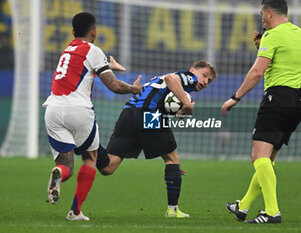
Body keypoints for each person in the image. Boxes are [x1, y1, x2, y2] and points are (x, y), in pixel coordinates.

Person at [43, 12, 142, 221]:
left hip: (52, 109)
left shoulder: (67, 50)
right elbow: (114, 86)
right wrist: (133, 88)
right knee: (90, 157)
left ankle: (59, 172)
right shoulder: (93, 50)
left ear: (73, 31)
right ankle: (75, 211)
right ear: (94, 31)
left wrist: (105, 66)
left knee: (66, 164)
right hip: (78, 110)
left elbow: (82, 71)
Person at [221, 0, 301, 224]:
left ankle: (272, 212)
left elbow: (257, 72)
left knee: (258, 156)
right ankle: (242, 206)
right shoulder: (300, 34)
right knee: (267, 159)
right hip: (298, 101)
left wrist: (235, 97)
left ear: (269, 12)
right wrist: (262, 46)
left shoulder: (272, 36)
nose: (261, 17)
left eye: (261, 13)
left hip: (277, 100)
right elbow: (282, 62)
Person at [96, 60, 217, 218]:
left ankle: (87, 141)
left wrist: (181, 108)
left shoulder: (156, 80)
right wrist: (187, 103)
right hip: (150, 114)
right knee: (172, 159)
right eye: (204, 75)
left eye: (209, 81)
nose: (205, 81)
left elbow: (165, 96)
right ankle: (172, 211)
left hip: (128, 112)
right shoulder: (188, 77)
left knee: (108, 167)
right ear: (193, 70)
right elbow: (170, 79)